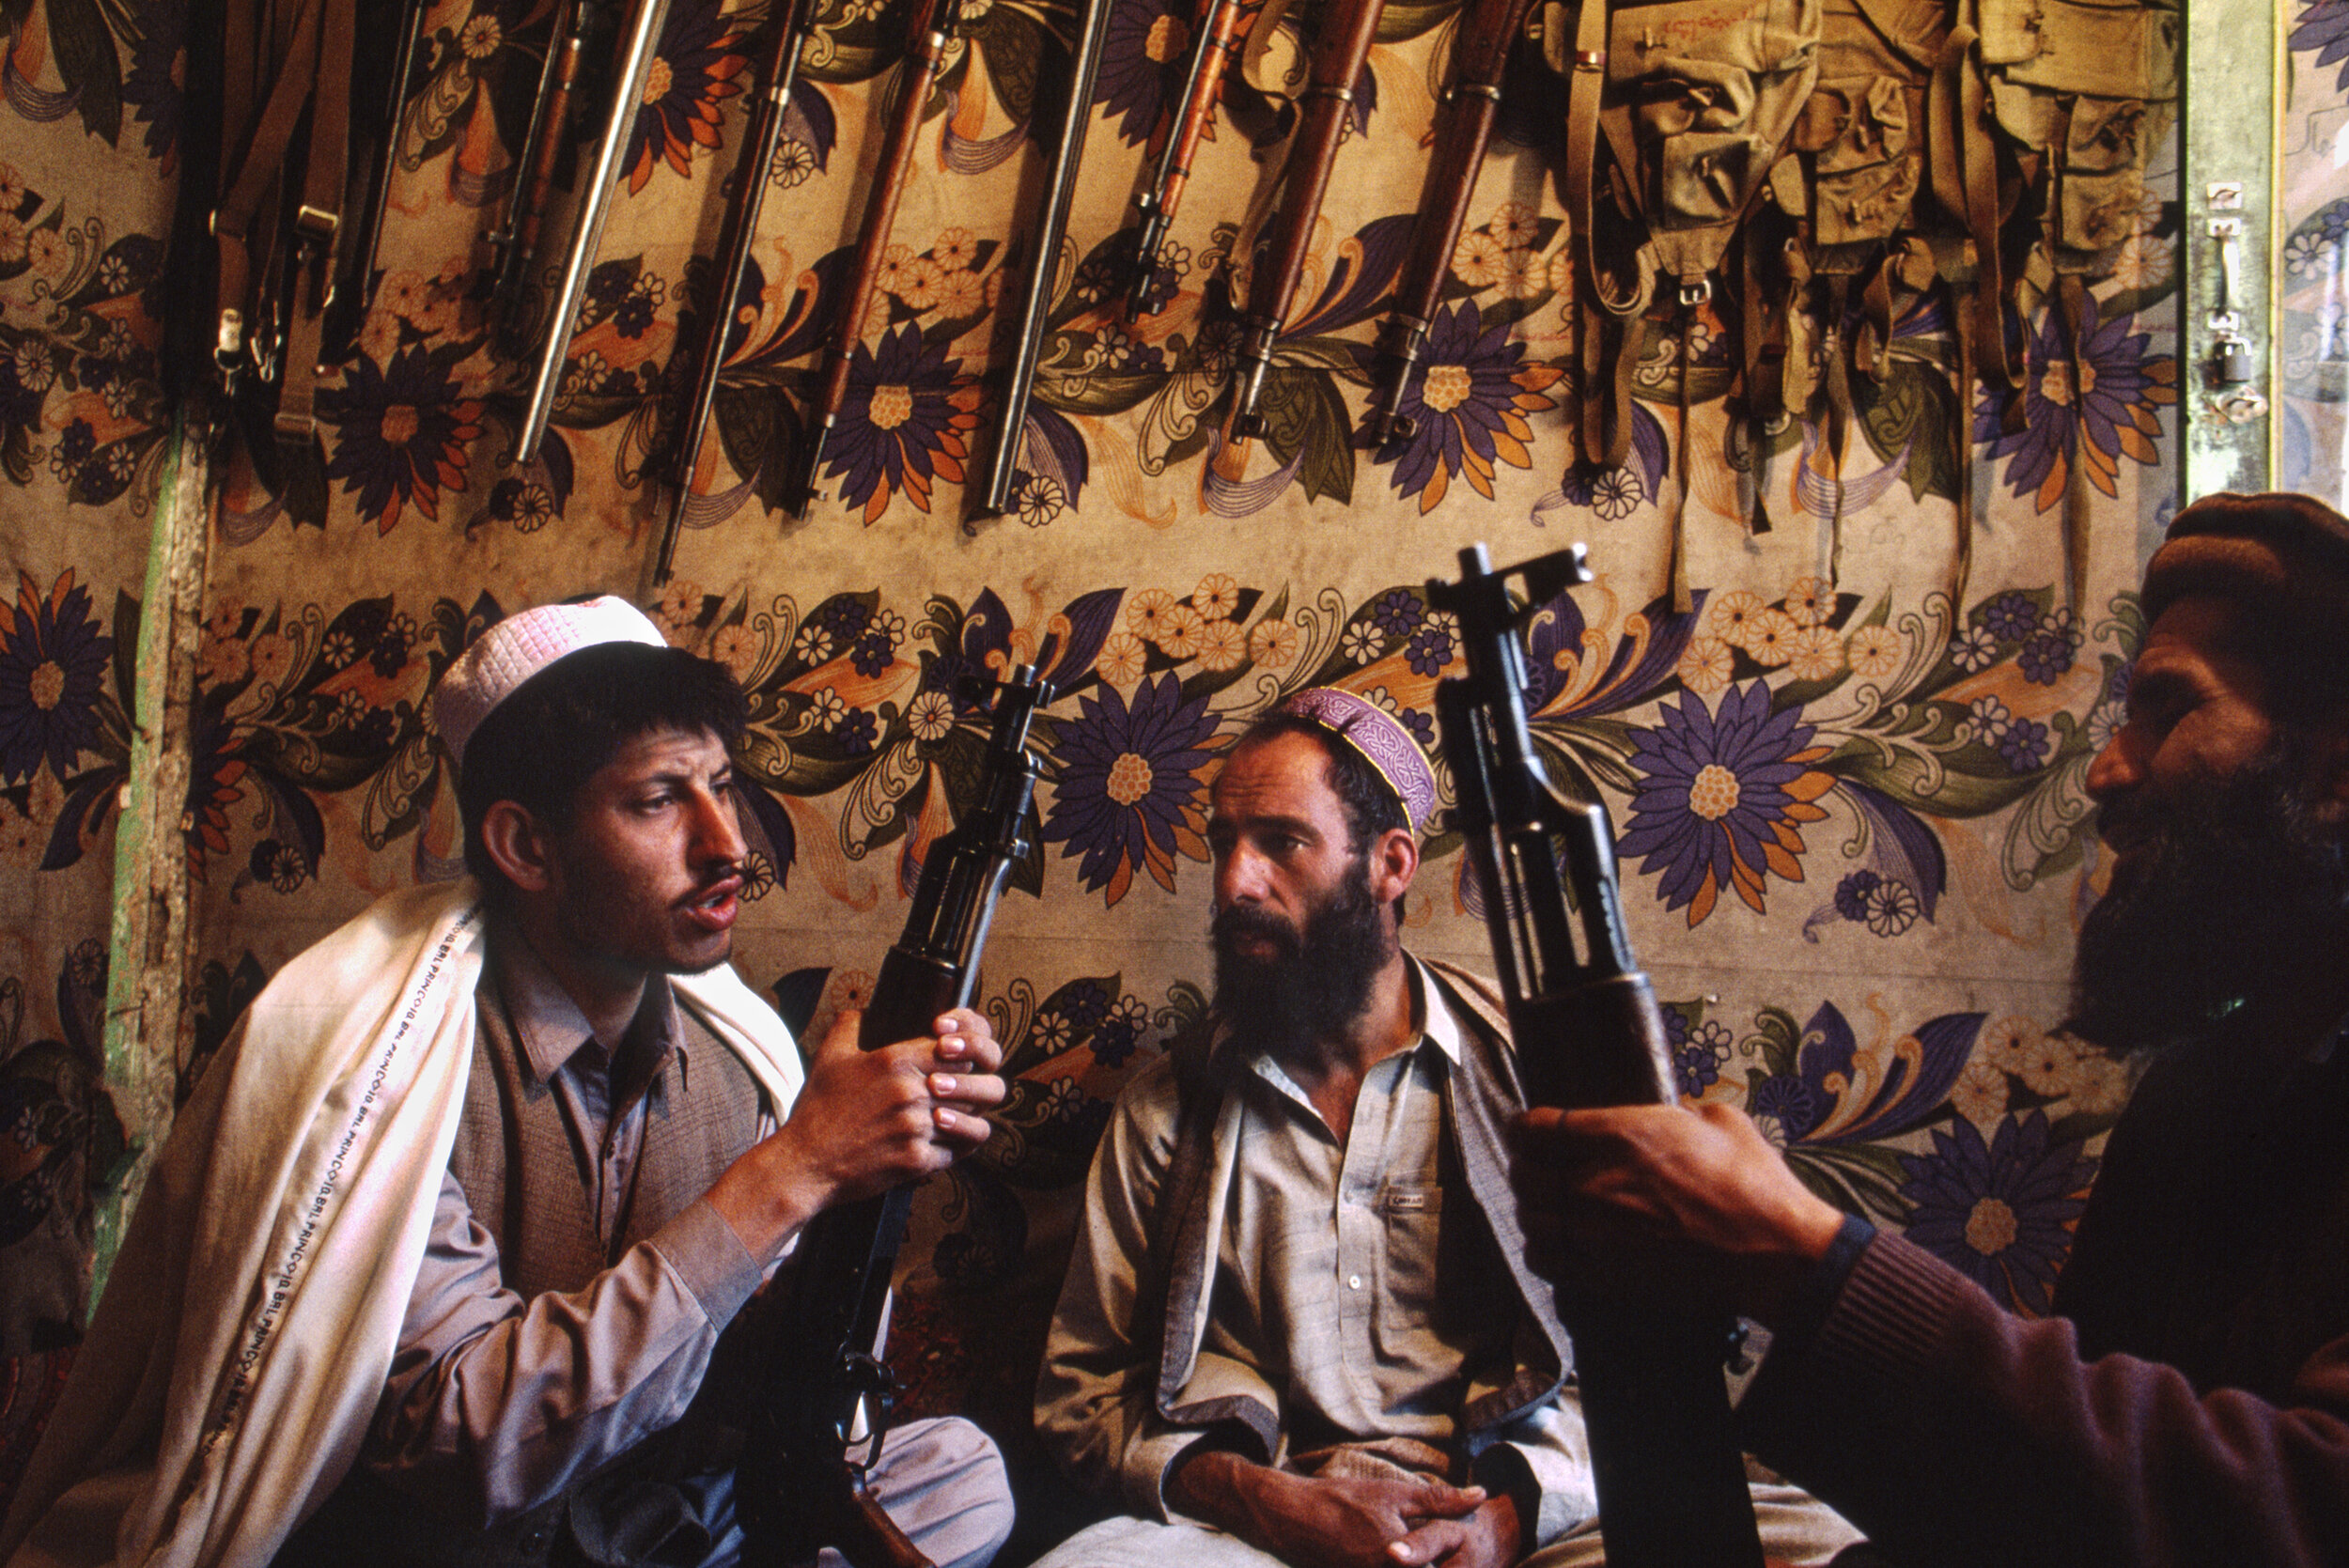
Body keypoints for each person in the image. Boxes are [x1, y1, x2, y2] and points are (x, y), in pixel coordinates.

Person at [0, 598, 1016, 1568]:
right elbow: (469, 1448)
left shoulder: (732, 1054)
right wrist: (795, 1168)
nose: (727, 846)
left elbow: (769, 1391)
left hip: (634, 1523)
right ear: (526, 846)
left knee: (966, 1474)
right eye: (660, 799)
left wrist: (865, 1183)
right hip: (440, 1550)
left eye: (723, 785)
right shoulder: (380, 1067)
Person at [1516, 490, 2349, 1567]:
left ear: (2337, 769)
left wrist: (1805, 1260)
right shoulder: (2201, 1097)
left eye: (2168, 707)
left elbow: (2306, 1513)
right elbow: (2047, 1522)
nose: (2105, 770)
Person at [1033, 689, 1859, 1568]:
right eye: (1224, 843)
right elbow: (1082, 1393)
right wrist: (1262, 1499)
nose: (1236, 881)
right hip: (1264, 1527)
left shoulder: (1532, 1075)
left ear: (1391, 865)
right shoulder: (1170, 1106)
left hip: (1528, 1509)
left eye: (1281, 841)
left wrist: (1504, 1520)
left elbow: (1643, 1365)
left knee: (1810, 1545)